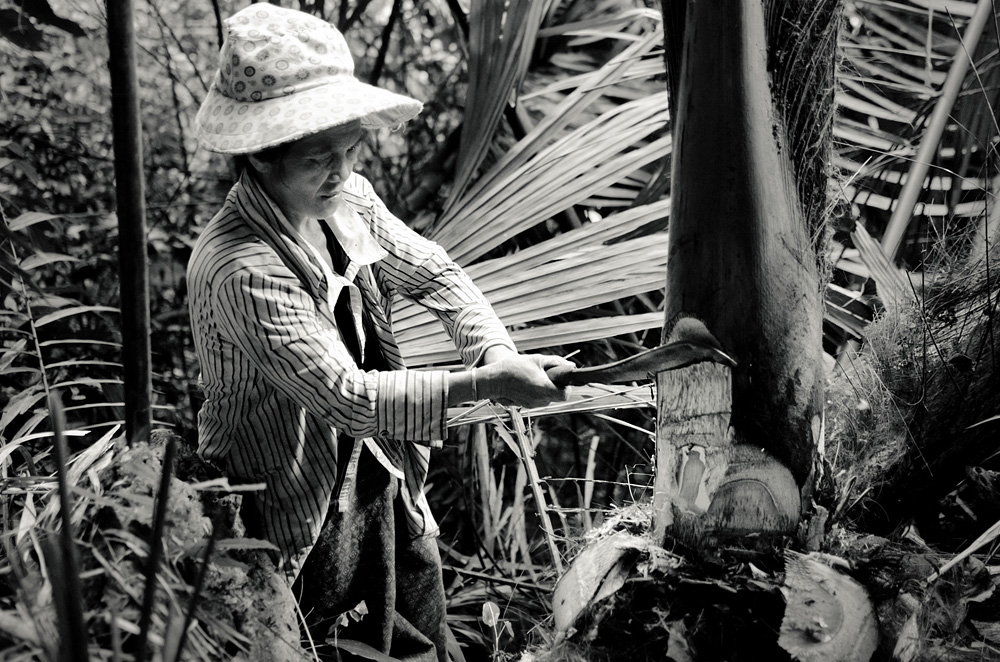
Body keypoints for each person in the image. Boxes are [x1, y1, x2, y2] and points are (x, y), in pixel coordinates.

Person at [187, 4, 571, 660]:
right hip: (286, 500)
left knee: (416, 633)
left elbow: (435, 274)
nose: (340, 173)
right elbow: (348, 397)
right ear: (258, 158)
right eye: (317, 160)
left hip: (379, 471)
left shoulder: (347, 201)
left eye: (348, 151)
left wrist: (497, 349)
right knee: (310, 640)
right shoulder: (239, 265)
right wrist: (487, 384)